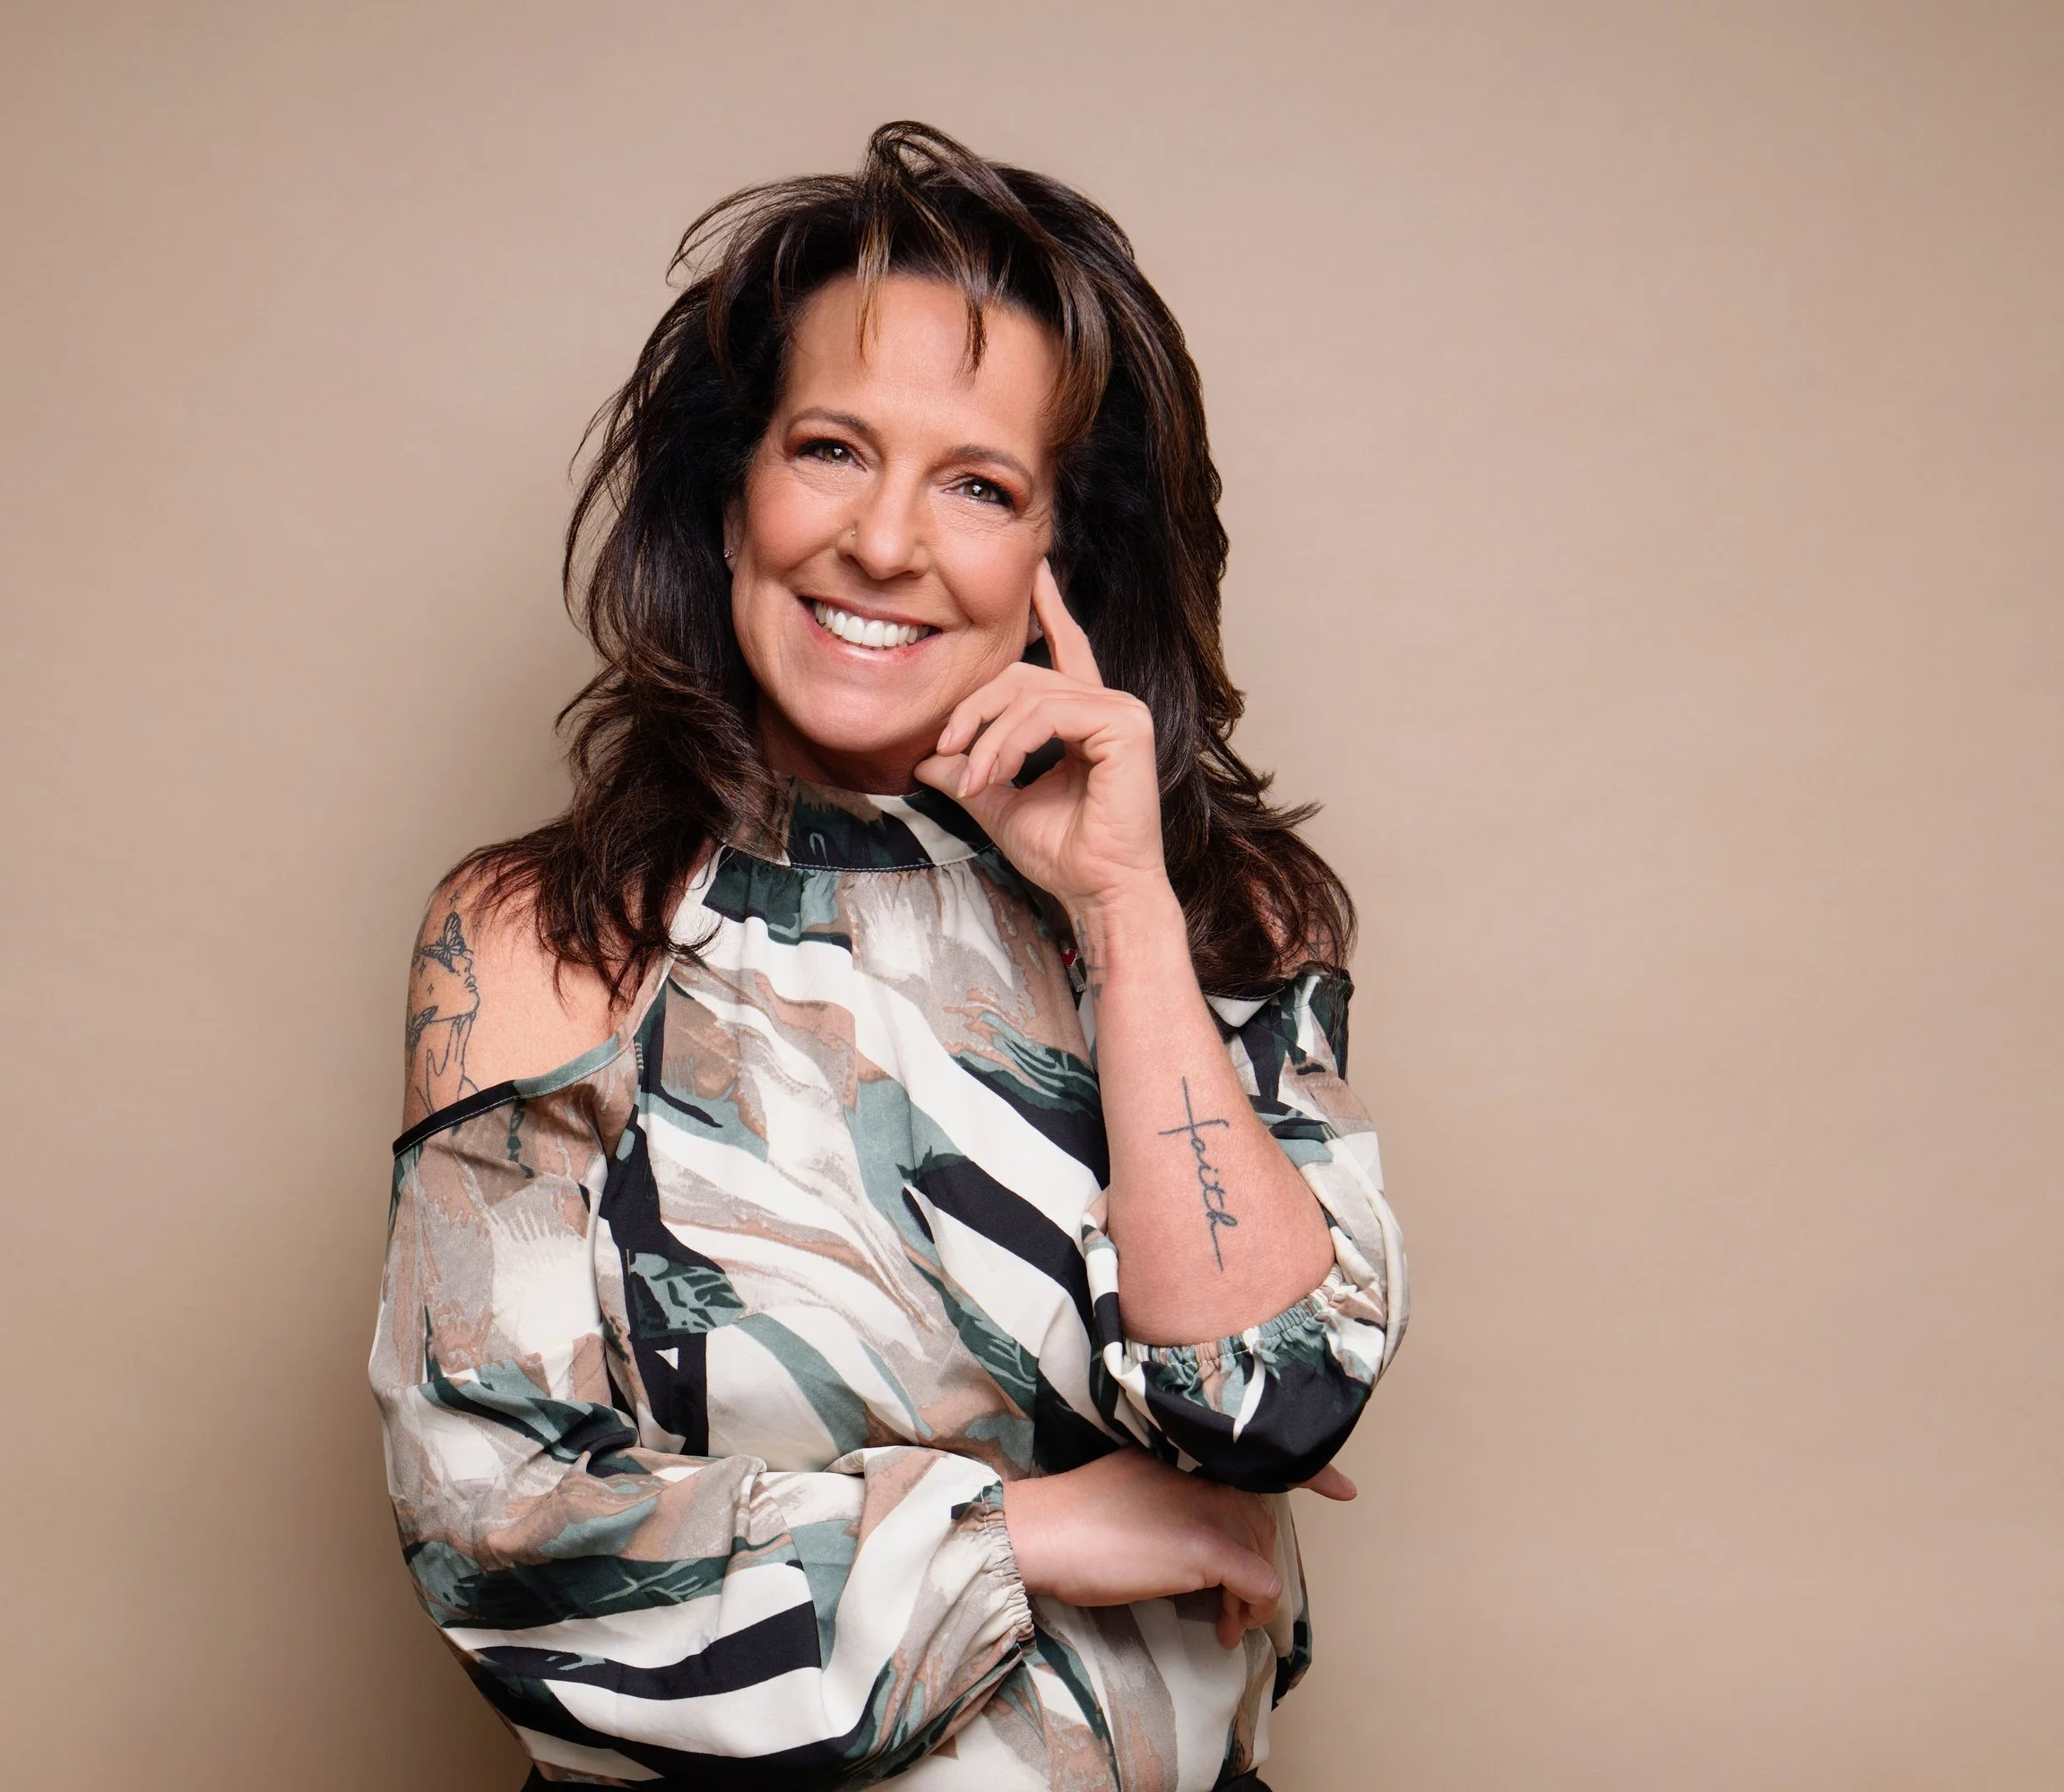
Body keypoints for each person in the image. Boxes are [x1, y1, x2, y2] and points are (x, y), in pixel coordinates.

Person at [371, 121, 1407, 1792]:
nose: (884, 543)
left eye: (978, 485)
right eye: (832, 450)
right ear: (731, 503)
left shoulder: (1214, 922)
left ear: (1060, 559)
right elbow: (497, 1540)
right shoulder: (548, 940)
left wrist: (1123, 914)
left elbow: (1269, 1406)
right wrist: (1035, 1533)